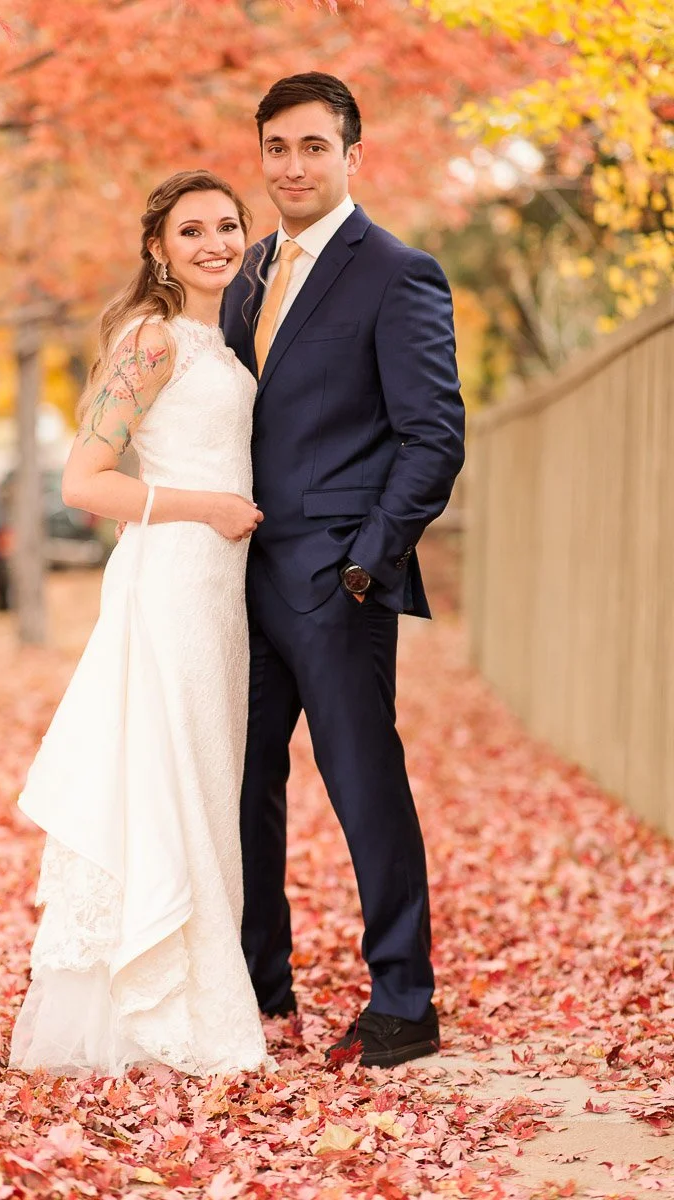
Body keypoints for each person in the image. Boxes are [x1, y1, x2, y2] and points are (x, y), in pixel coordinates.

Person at [221, 73, 466, 1068]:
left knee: (364, 784)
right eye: (276, 147)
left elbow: (432, 437)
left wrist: (367, 561)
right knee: (241, 789)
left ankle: (404, 1001)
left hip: (337, 580)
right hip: (235, 579)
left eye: (312, 147)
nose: (291, 166)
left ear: (350, 156)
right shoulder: (239, 272)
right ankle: (256, 984)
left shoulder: (395, 271)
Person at [9, 170, 272, 1078]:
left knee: (200, 786)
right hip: (170, 583)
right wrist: (209, 507)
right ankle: (158, 1018)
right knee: (167, 786)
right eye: (191, 229)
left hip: (216, 596)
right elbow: (86, 481)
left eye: (228, 226)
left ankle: (191, 997)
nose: (214, 243)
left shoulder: (221, 340)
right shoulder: (151, 342)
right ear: (159, 248)